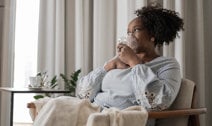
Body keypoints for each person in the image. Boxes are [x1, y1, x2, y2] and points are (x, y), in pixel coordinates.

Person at [32, 6, 184, 126]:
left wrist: (134, 63)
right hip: (93, 110)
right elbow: (83, 93)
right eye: (128, 32)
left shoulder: (168, 65)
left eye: (136, 30)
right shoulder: (117, 61)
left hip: (121, 117)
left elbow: (159, 102)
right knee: (56, 104)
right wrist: (108, 66)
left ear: (153, 35)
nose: (130, 36)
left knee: (65, 109)